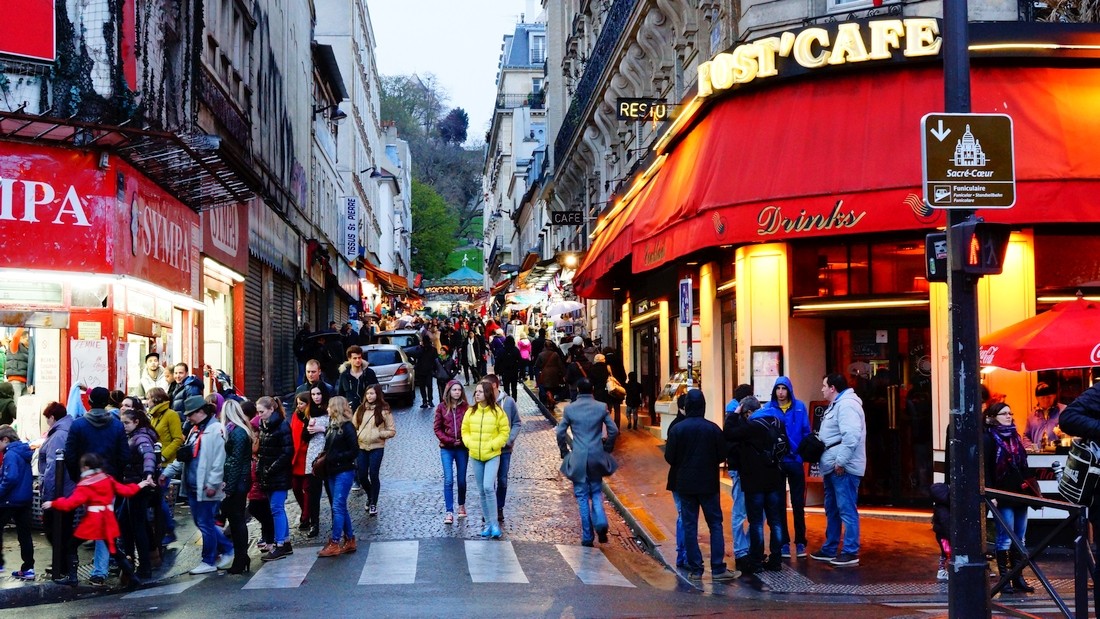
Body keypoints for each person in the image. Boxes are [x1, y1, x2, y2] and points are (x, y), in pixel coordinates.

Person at [42, 453, 156, 588]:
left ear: (86, 467)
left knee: (71, 545)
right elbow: (126, 491)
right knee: (114, 550)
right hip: (108, 520)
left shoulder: (85, 484)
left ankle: (72, 577)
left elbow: (71, 503)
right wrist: (140, 485)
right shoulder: (108, 479)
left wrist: (53, 504)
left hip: (93, 521)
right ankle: (133, 578)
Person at [665, 389, 738, 581]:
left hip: (685, 483)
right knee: (715, 524)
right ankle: (718, 568)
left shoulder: (677, 429)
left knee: (690, 525)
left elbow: (670, 457)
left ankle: (696, 569)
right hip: (708, 483)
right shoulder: (712, 429)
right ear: (703, 406)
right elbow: (722, 455)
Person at [64, 386, 129, 586]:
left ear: (89, 402)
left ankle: (77, 571)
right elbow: (124, 455)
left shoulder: (78, 425)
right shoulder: (117, 425)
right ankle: (100, 570)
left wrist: (78, 477)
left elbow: (69, 454)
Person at [162, 397, 231, 574]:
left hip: (205, 486)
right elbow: (184, 457)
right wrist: (167, 473)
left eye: (190, 414)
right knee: (201, 522)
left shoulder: (215, 430)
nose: (188, 418)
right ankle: (227, 548)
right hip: (193, 485)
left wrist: (213, 483)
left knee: (205, 523)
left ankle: (209, 559)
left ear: (201, 412)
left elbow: (219, 460)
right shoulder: (195, 430)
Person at [810, 373, 867, 568]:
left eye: (824, 385)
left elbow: (851, 436)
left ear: (833, 387)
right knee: (833, 509)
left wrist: (841, 462)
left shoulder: (847, 405)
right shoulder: (838, 405)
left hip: (842, 468)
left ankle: (850, 551)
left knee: (846, 509)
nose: (822, 389)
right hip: (833, 466)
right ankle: (830, 548)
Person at [724, 395, 785, 574]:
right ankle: (776, 559)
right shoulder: (776, 421)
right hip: (774, 478)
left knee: (756, 522)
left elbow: (728, 432)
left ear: (749, 412)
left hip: (755, 481)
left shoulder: (751, 426)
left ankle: (756, 561)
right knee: (776, 521)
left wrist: (734, 414)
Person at [555, 378, 618, 547]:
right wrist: (607, 448)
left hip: (579, 456)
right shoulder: (600, 407)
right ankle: (601, 523)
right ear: (592, 390)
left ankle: (587, 536)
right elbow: (613, 430)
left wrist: (564, 451)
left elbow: (560, 433)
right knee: (596, 492)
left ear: (578, 391)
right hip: (597, 455)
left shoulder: (570, 409)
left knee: (582, 497)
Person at [984, 401, 1035, 594]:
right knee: (1005, 537)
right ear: (993, 417)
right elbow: (986, 468)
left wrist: (1030, 488)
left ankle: (1018, 577)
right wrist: (991, 492)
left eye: (1010, 413)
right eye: (1004, 413)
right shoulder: (988, 438)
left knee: (1020, 538)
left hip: (1020, 493)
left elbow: (1024, 465)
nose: (1009, 416)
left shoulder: (1015, 436)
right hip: (1002, 494)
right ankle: (1005, 579)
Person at [761, 376, 811, 559]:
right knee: (778, 503)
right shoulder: (768, 409)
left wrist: (799, 453)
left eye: (784, 388)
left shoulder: (799, 407)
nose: (781, 392)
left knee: (798, 503)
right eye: (778, 388)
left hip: (795, 461)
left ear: (789, 390)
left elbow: (806, 432)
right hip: (778, 463)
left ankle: (800, 541)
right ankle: (783, 542)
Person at [462, 380, 510, 539]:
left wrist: (493, 445)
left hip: (492, 455)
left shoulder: (498, 412)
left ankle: (495, 524)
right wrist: (469, 444)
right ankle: (488, 524)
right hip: (475, 455)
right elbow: (465, 431)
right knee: (482, 490)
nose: (477, 394)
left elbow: (504, 432)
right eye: (476, 392)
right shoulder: (471, 412)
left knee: (489, 487)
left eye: (480, 392)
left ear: (488, 393)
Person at [118, 403, 159, 579]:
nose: (124, 426)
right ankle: (136, 561)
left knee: (136, 526)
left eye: (126, 423)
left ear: (136, 422)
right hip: (134, 485)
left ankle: (143, 565)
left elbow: (148, 456)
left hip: (139, 486)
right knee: (129, 524)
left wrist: (148, 475)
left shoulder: (140, 438)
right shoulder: (135, 436)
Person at [37, 402, 76, 583]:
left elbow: (53, 466)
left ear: (53, 418)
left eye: (47, 419)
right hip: (67, 488)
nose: (47, 423)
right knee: (63, 528)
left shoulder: (59, 435)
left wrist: (48, 495)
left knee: (56, 529)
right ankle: (64, 564)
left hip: (61, 490)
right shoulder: (66, 429)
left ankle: (64, 565)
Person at [318, 396, 359, 557]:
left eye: (329, 406)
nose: (327, 409)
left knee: (337, 507)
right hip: (332, 471)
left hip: (344, 470)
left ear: (335, 408)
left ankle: (335, 541)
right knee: (340, 506)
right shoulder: (332, 426)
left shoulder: (347, 427)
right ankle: (349, 539)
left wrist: (335, 457)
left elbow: (354, 450)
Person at [256, 396, 294, 561]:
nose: (259, 415)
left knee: (276, 508)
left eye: (262, 412)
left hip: (278, 473)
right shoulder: (264, 425)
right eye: (258, 412)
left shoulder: (282, 425)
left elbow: (287, 452)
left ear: (271, 410)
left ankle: (280, 544)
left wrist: (271, 468)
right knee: (278, 509)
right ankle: (284, 542)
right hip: (269, 472)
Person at [220, 399, 254, 574]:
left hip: (238, 482)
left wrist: (229, 487)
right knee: (236, 521)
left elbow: (235, 462)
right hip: (239, 480)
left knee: (237, 521)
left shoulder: (238, 432)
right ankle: (241, 558)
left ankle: (241, 558)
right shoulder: (238, 431)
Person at [144, 387, 181, 545]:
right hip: (155, 462)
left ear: (156, 399)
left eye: (149, 399)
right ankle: (161, 529)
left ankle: (169, 529)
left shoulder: (170, 415)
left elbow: (178, 439)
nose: (147, 402)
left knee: (159, 498)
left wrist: (163, 455)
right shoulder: (153, 415)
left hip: (166, 463)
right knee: (157, 498)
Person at [724, 384, 754, 566]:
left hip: (741, 469)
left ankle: (744, 547)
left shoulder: (732, 418)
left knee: (743, 511)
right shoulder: (737, 420)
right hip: (742, 470)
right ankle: (742, 549)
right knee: (742, 510)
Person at [354, 384, 396, 516]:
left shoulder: (384, 410)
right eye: (367, 394)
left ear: (377, 394)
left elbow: (392, 430)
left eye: (372, 393)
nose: (369, 396)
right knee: (361, 476)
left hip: (377, 447)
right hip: (361, 447)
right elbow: (353, 426)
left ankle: (373, 503)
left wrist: (379, 434)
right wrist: (357, 436)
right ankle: (370, 495)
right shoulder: (360, 409)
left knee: (373, 474)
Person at [0, 424, 35, 581]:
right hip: (25, 500)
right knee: (24, 535)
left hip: (10, 500)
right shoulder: (23, 452)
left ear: (5, 439)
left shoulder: (11, 454)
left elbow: (10, 477)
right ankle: (28, 568)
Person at [485, 374, 521, 523]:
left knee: (502, 479)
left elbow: (517, 423)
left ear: (494, 385)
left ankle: (499, 507)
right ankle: (490, 509)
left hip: (505, 449)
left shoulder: (509, 402)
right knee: (488, 481)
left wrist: (509, 439)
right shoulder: (484, 402)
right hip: (488, 449)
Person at [434, 379, 469, 524]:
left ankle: (461, 505)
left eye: (459, 390)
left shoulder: (466, 407)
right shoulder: (442, 407)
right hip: (447, 448)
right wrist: (449, 440)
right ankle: (449, 511)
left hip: (462, 448)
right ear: (449, 391)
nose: (457, 392)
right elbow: (437, 428)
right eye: (454, 390)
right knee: (448, 479)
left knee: (461, 480)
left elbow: (470, 427)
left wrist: (464, 440)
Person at [303, 386, 329, 538]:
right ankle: (314, 523)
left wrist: (321, 428)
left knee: (331, 491)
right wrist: (309, 429)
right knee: (313, 493)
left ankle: (337, 521)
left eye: (318, 393)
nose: (316, 397)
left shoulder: (330, 409)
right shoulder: (309, 412)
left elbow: (337, 430)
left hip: (327, 453)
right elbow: (304, 437)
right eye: (313, 394)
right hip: (313, 454)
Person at [288, 393, 313, 532]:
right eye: (298, 403)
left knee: (307, 489)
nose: (299, 406)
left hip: (307, 457)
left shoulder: (312, 417)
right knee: (296, 488)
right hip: (296, 458)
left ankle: (306, 517)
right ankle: (305, 511)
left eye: (302, 403)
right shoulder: (295, 416)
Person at [337, 345, 378, 413]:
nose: (358, 360)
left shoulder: (369, 373)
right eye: (355, 358)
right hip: (350, 411)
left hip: (368, 410)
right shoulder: (344, 375)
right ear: (349, 359)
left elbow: (378, 391)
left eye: (359, 358)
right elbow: (341, 395)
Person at [1025, 382, 1065, 448]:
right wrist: (1032, 449)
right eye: (1042, 398)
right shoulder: (1032, 416)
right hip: (1038, 455)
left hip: (1058, 454)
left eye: (1049, 397)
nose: (1046, 400)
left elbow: (1073, 433)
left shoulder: (1063, 411)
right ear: (1037, 398)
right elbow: (1026, 436)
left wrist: (1063, 434)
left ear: (1054, 396)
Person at [536, 341, 566, 406]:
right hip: (554, 375)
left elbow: (537, 366)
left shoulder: (541, 355)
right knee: (553, 389)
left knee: (545, 389)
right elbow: (560, 365)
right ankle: (551, 399)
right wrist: (563, 374)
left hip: (544, 375)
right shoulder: (555, 354)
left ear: (544, 346)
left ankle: (547, 401)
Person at [494, 336, 522, 401]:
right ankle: (514, 399)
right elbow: (520, 361)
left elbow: (498, 361)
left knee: (506, 387)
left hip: (505, 372)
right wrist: (520, 371)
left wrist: (497, 371)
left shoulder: (502, 350)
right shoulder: (516, 350)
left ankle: (507, 400)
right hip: (514, 372)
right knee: (514, 387)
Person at [414, 337, 438, 408]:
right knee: (429, 386)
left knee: (423, 387)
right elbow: (435, 360)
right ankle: (429, 401)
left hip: (422, 371)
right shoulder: (433, 349)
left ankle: (425, 401)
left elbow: (416, 356)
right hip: (428, 371)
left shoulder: (421, 349)